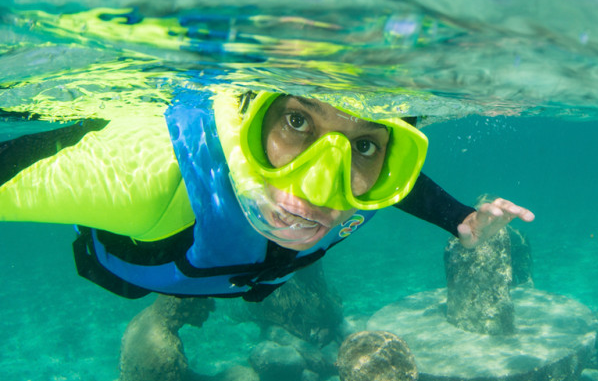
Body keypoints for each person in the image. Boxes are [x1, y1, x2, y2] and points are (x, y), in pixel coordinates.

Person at [0, 88, 534, 301]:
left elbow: (397, 180)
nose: (322, 188)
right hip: (127, 269)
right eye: (296, 121)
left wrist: (459, 219)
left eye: (366, 146)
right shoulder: (149, 181)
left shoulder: (365, 186)